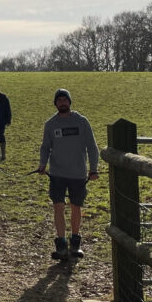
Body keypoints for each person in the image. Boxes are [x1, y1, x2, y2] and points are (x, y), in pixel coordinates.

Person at [36, 88, 100, 261]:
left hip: (78, 173)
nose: (62, 102)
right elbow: (45, 147)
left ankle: (75, 244)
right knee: (58, 206)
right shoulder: (50, 124)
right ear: (55, 103)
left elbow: (92, 147)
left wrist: (93, 169)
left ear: (69, 102)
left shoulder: (82, 122)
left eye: (65, 100)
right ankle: (61, 244)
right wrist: (43, 164)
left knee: (76, 207)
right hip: (57, 173)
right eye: (59, 100)